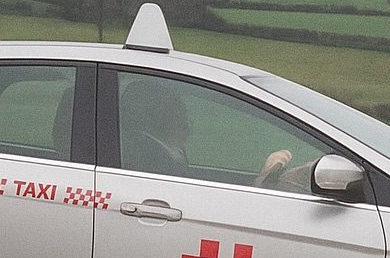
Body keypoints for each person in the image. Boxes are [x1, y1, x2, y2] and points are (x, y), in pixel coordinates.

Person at [120, 79, 297, 186]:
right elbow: (196, 198)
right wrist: (260, 183)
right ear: (165, 118)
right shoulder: (148, 157)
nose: (189, 120)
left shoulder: (166, 151)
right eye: (180, 111)